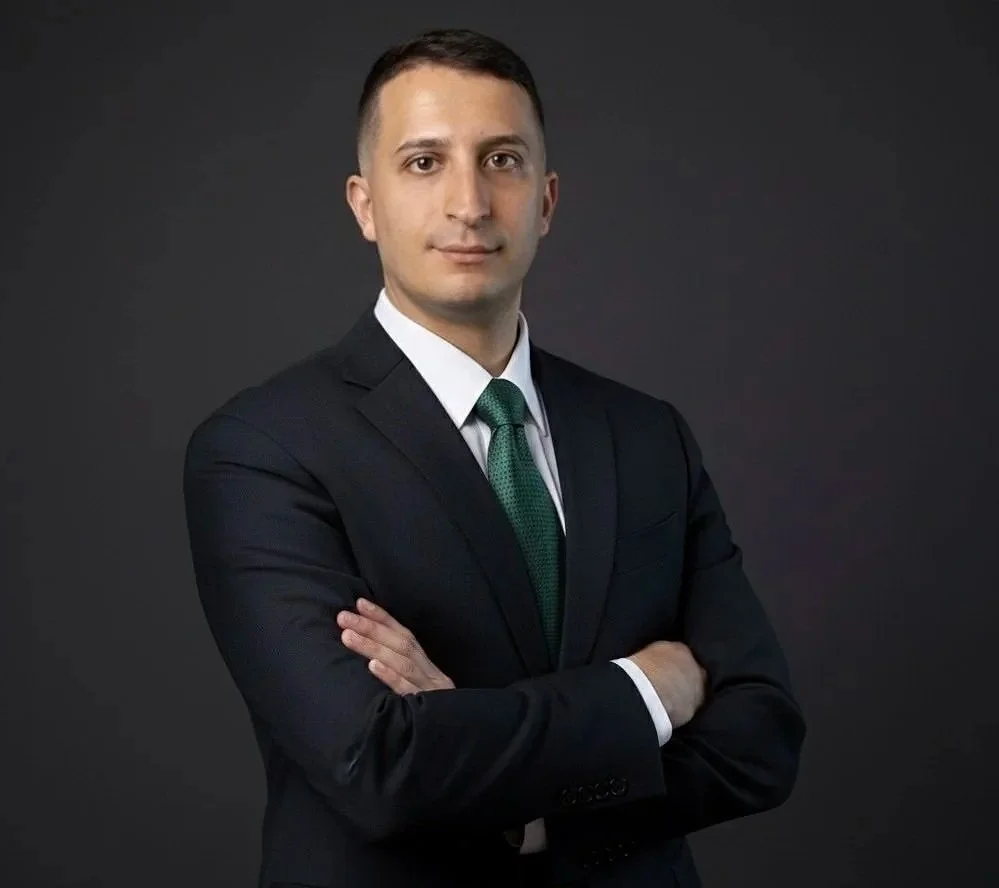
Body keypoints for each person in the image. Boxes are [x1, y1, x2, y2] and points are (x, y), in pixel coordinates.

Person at [182, 27, 805, 888]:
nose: (470, 203)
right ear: (364, 204)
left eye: (502, 160)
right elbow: (379, 764)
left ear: (545, 201)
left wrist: (535, 815)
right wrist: (645, 693)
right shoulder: (263, 450)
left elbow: (761, 740)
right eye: (425, 162)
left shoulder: (645, 433)